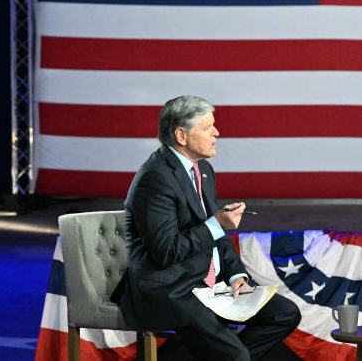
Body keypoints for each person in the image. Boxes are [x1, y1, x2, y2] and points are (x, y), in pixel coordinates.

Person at [118, 95, 301, 360]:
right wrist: (217, 223)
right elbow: (166, 252)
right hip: (172, 289)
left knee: (285, 314)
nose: (217, 132)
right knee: (236, 356)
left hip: (207, 284)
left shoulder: (202, 169)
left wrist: (238, 275)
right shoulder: (155, 178)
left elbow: (217, 236)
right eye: (207, 127)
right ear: (181, 135)